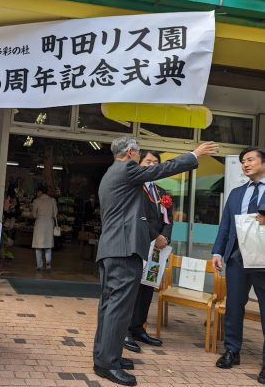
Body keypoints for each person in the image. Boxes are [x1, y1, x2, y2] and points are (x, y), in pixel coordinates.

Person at [92, 136, 218, 386]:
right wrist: (193, 155)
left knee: (109, 307)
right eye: (139, 155)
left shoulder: (111, 172)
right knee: (118, 308)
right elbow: (161, 169)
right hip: (124, 249)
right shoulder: (127, 168)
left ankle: (105, 357)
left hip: (112, 248)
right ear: (131, 152)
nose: (141, 161)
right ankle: (108, 363)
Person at [212, 147, 265, 384]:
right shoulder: (236, 193)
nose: (245, 164)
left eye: (250, 159)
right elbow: (225, 226)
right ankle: (232, 350)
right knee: (233, 307)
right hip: (236, 259)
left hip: (264, 261)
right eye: (243, 161)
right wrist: (217, 251)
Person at [124, 150, 172, 353]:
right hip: (139, 244)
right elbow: (137, 216)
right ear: (139, 163)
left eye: (156, 162)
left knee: (147, 287)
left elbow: (169, 218)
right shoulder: (134, 188)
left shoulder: (162, 192)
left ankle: (138, 328)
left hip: (157, 249)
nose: (152, 164)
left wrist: (165, 237)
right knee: (133, 288)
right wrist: (156, 236)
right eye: (148, 161)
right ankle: (125, 330)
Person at [31, 184, 58, 271]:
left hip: (39, 224)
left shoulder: (36, 201)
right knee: (48, 246)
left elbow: (34, 215)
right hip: (49, 224)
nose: (37, 193)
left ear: (40, 192)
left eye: (37, 191)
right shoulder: (52, 200)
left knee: (38, 246)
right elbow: (55, 214)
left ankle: (39, 265)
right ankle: (48, 265)